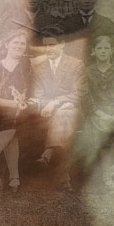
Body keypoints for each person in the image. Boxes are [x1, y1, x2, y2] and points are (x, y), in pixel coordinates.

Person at [0, 29, 32, 193]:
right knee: (13, 120)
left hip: (21, 109)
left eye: (22, 43)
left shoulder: (27, 66)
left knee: (15, 118)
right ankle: (14, 178)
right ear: (7, 44)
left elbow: (27, 90)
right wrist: (13, 104)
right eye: (15, 42)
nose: (19, 46)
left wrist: (20, 102)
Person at [80, 35, 114, 190]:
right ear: (93, 51)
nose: (103, 51)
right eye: (99, 48)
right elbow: (86, 96)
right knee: (103, 144)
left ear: (111, 51)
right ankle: (107, 178)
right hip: (97, 115)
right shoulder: (88, 72)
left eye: (106, 48)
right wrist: (101, 114)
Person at [34, 34, 85, 191]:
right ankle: (64, 179)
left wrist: (56, 102)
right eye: (46, 46)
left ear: (62, 44)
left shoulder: (76, 64)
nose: (48, 49)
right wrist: (49, 105)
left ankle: (47, 153)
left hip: (72, 109)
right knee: (62, 119)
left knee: (65, 114)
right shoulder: (39, 68)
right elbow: (38, 95)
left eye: (52, 45)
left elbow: (80, 92)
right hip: (47, 112)